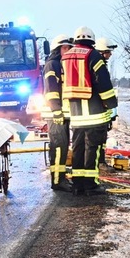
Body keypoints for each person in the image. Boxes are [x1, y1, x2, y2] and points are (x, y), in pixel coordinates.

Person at [61, 26, 118, 196]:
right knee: (92, 148)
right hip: (94, 113)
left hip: (76, 114)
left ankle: (78, 184)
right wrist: (110, 103)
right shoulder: (93, 55)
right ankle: (91, 185)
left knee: (78, 148)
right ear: (92, 40)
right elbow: (103, 83)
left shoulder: (66, 57)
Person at [42, 34, 74, 192]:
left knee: (63, 145)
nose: (67, 50)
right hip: (55, 114)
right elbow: (51, 90)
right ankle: (57, 181)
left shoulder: (62, 64)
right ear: (57, 49)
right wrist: (56, 110)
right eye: (64, 48)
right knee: (59, 146)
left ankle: (61, 178)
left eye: (69, 47)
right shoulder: (52, 65)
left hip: (62, 113)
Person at [95, 37, 119, 166]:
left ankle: (101, 160)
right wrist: (111, 107)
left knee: (102, 137)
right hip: (99, 110)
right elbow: (104, 89)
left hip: (102, 110)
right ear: (101, 52)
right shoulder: (98, 67)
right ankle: (100, 161)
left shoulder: (101, 65)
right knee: (99, 137)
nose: (109, 55)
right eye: (107, 52)